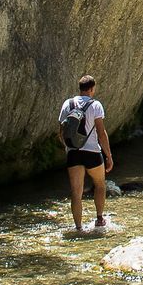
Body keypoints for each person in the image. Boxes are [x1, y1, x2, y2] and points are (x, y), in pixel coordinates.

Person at [57, 75, 113, 230]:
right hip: (92, 152)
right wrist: (109, 156)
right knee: (100, 185)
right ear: (92, 89)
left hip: (73, 153)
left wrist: (68, 149)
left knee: (76, 192)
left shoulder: (67, 104)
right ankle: (99, 218)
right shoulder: (96, 105)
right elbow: (101, 133)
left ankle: (78, 228)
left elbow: (61, 132)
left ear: (80, 88)